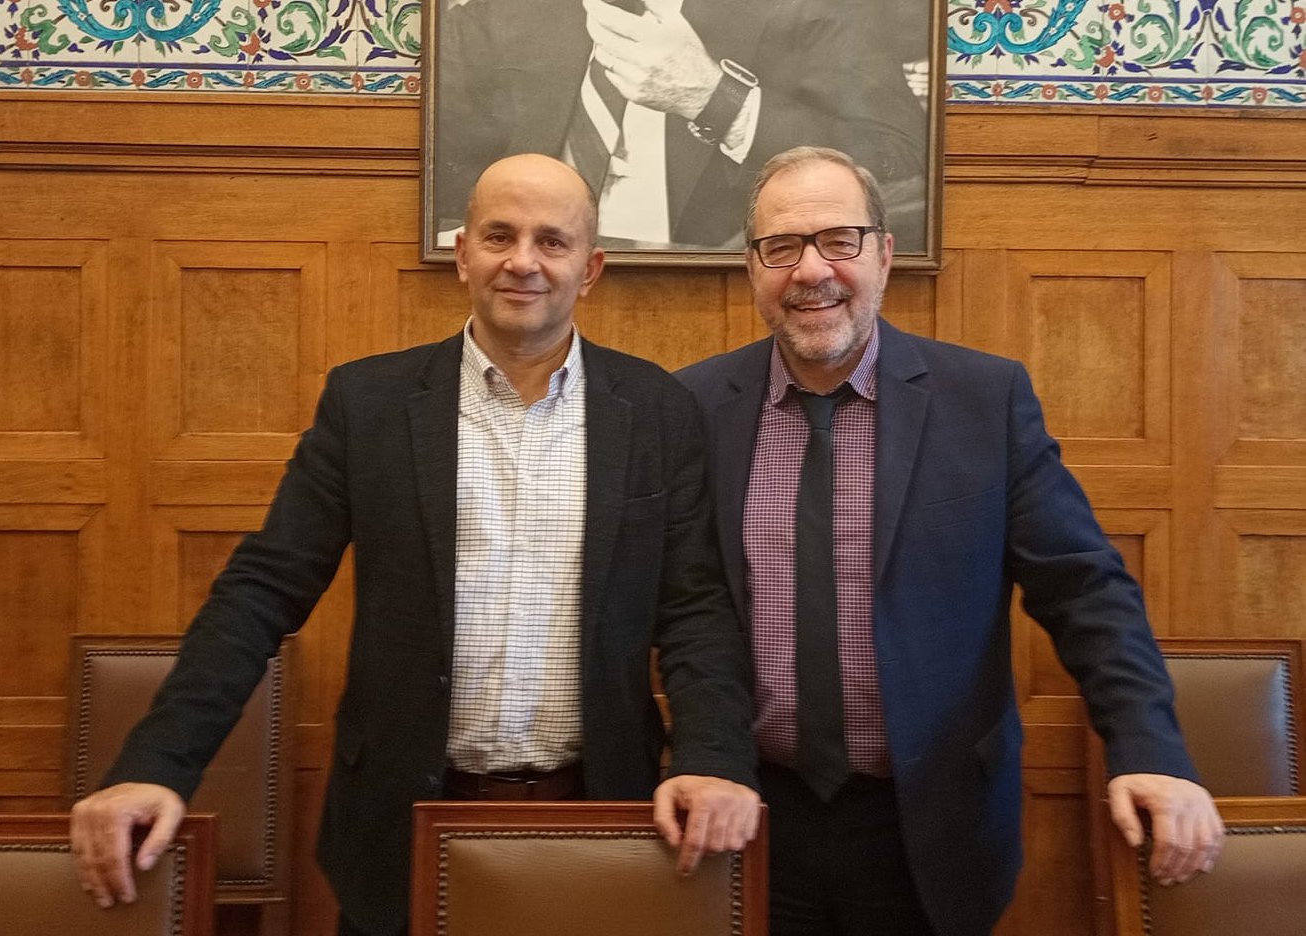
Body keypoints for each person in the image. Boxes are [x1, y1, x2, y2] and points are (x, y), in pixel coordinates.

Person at [70, 153, 762, 936]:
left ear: (590, 268)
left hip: (597, 819)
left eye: (552, 241)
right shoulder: (368, 404)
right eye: (499, 236)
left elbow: (696, 609)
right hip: (398, 830)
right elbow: (260, 592)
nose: (523, 262)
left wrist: (714, 759)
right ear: (463, 253)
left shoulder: (658, 410)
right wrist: (155, 767)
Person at [675, 146, 1224, 936]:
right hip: (750, 814)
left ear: (884, 253)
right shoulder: (695, 406)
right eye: (782, 246)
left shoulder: (983, 400)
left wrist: (1150, 750)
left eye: (839, 240)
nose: (811, 270)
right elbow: (688, 607)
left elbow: (1085, 589)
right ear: (752, 266)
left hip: (931, 821)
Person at [433, 0, 928, 251]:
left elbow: (898, 164)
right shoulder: (502, 11)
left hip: (721, 305)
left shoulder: (817, 8)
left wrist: (715, 99)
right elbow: (435, 179)